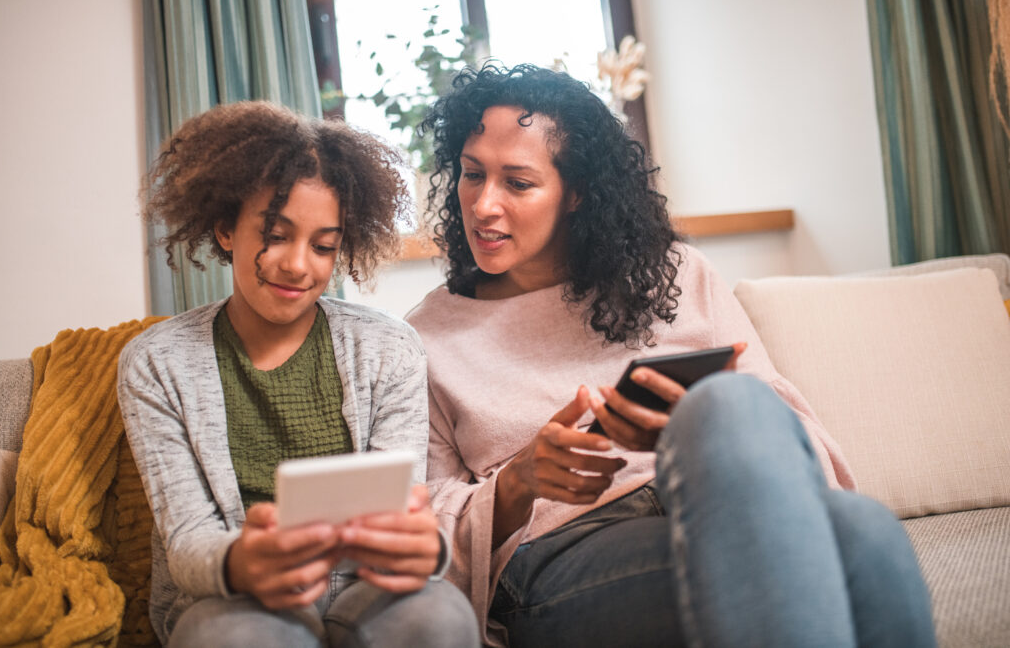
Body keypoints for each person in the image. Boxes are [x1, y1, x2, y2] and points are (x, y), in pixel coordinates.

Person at [406, 64, 936, 647]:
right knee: (862, 541)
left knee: (847, 511)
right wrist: (519, 482)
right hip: (566, 548)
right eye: (472, 174)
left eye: (518, 183)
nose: (482, 205)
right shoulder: (427, 336)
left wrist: (696, 433)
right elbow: (421, 530)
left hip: (722, 495)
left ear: (576, 192)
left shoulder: (675, 276)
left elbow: (796, 435)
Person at [117, 101, 477, 648]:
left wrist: (426, 548)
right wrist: (242, 561)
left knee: (441, 617)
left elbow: (403, 507)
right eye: (276, 235)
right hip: (234, 600)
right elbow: (188, 541)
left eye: (324, 245)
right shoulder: (156, 363)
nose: (298, 265)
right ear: (224, 229)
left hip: (369, 592)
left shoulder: (390, 348)